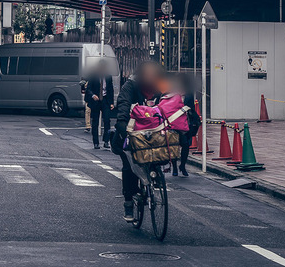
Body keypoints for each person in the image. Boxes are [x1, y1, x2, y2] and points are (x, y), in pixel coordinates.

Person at [113, 60, 167, 222]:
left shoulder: (160, 85)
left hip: (153, 132)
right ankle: (129, 201)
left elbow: (172, 100)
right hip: (131, 130)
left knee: (159, 153)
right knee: (129, 165)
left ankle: (154, 176)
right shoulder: (130, 86)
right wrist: (123, 124)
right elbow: (123, 105)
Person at [169, 73, 200, 178]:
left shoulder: (189, 95)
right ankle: (174, 167)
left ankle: (182, 165)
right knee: (174, 145)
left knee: (185, 145)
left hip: (185, 124)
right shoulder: (171, 94)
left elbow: (191, 109)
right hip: (172, 123)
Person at [85, 70, 115, 150]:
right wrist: (93, 95)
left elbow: (110, 89)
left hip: (105, 100)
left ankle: (106, 141)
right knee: (95, 121)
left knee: (107, 120)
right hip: (96, 101)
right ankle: (96, 143)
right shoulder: (93, 76)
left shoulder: (108, 76)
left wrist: (111, 103)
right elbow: (88, 89)